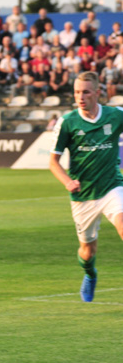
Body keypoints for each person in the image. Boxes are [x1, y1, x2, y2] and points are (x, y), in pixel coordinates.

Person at [49, 71, 123, 303]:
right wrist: (67, 181)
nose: (80, 97)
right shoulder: (68, 122)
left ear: (98, 93)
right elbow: (53, 161)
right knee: (87, 252)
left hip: (112, 185)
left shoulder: (115, 115)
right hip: (83, 195)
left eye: (86, 92)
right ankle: (90, 274)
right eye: (77, 92)